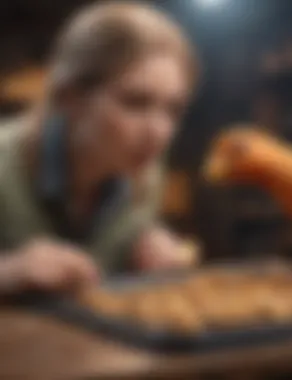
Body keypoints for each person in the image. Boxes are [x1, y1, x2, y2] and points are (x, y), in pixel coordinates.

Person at [0, 1, 200, 294]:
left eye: (173, 109)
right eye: (135, 102)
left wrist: (146, 246)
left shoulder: (146, 173)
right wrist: (9, 270)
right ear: (69, 98)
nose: (159, 132)